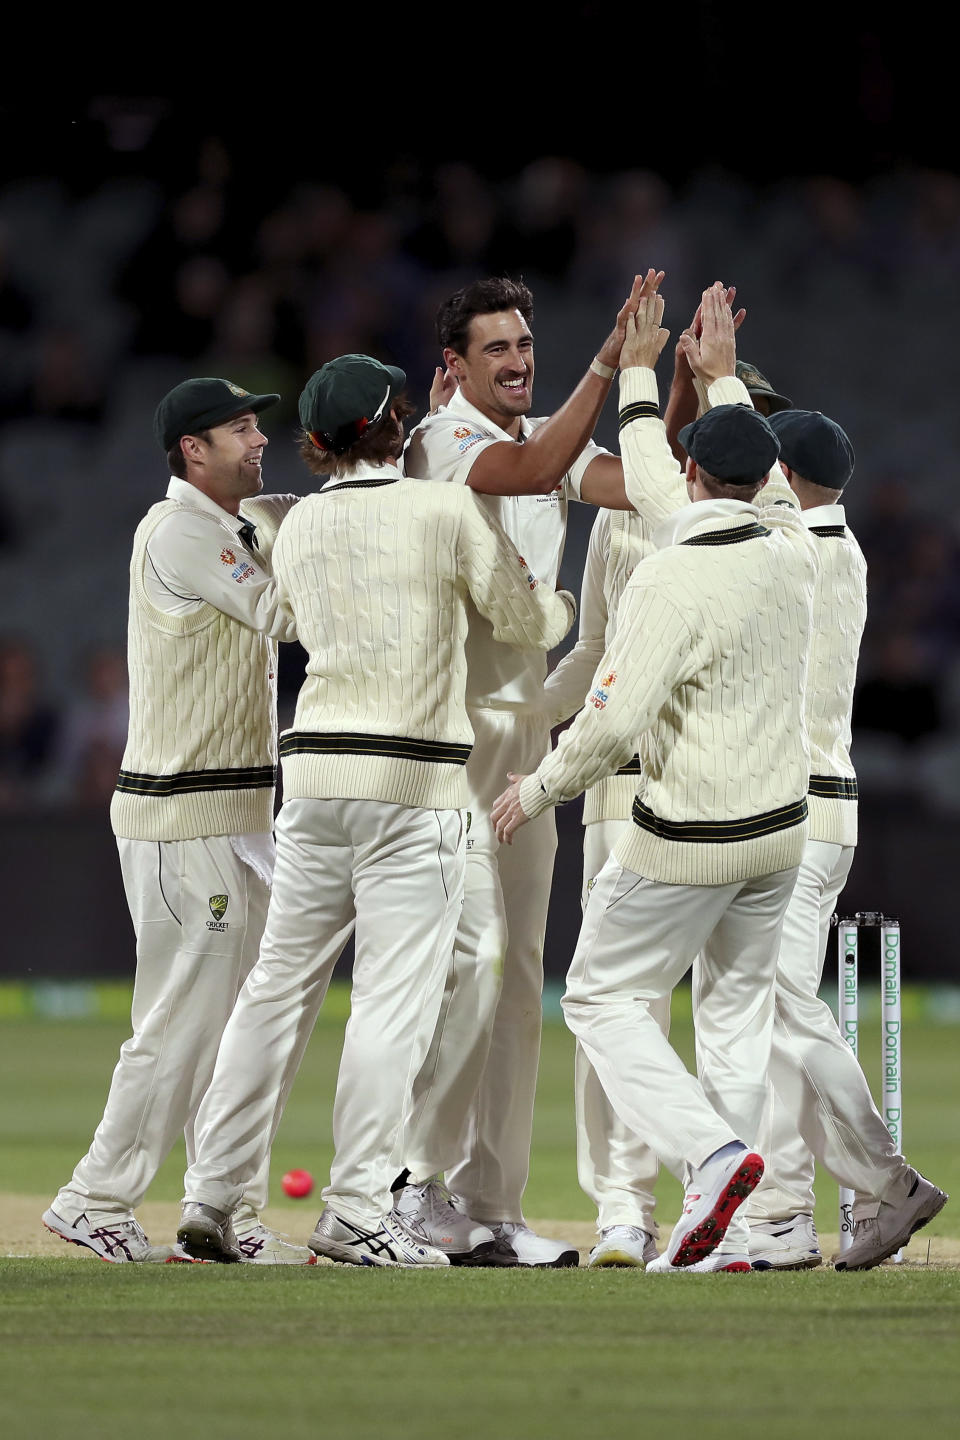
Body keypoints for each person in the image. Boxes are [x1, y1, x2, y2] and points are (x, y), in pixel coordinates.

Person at [176, 354, 575, 1267]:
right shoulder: (444, 509)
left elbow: (281, 616)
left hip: (312, 779)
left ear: (313, 444)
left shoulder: (297, 524)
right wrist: (553, 601)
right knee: (391, 1005)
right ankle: (357, 1205)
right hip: (415, 783)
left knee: (274, 993)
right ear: (402, 423)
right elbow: (521, 622)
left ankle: (211, 1194)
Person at [492, 284, 819, 1270]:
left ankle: (712, 1162)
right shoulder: (794, 547)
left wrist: (536, 785)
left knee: (597, 997)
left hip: (684, 823)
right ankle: (718, 1230)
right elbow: (667, 477)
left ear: (688, 470)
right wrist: (709, 377)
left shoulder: (673, 566)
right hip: (778, 828)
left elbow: (614, 716)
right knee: (731, 1017)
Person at [394, 271, 656, 1267]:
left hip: (521, 733)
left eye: (524, 344)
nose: (516, 361)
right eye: (495, 348)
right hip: (446, 736)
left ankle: (490, 1205)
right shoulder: (439, 442)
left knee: (519, 978)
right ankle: (408, 1186)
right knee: (463, 965)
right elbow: (536, 464)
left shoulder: (546, 435)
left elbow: (636, 485)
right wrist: (607, 361)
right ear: (451, 366)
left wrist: (655, 383)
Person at [43, 376, 314, 1265]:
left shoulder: (230, 527)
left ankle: (221, 1211)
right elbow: (286, 614)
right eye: (240, 428)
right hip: (182, 816)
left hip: (236, 813)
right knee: (179, 1022)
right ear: (192, 450)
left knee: (236, 1028)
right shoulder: (180, 532)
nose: (257, 438)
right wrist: (346, 543)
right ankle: (96, 1195)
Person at [740, 409, 948, 1271]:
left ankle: (882, 1181)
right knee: (771, 1014)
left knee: (786, 1005)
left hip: (795, 809)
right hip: (828, 803)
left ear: (782, 478)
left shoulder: (797, 551)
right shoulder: (846, 547)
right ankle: (796, 1209)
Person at [541, 505, 667, 1267]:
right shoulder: (617, 516)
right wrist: (525, 719)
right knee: (618, 1003)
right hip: (618, 792)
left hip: (732, 792)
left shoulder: (767, 516)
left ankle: (769, 1210)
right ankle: (624, 1206)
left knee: (740, 1012)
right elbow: (593, 649)